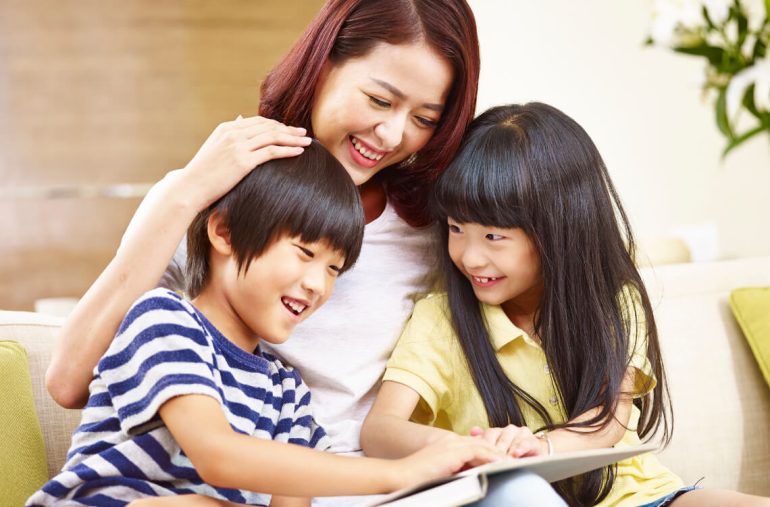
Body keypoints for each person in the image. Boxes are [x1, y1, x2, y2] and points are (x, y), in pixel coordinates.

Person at [46, 1, 567, 505]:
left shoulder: (436, 232)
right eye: (379, 100)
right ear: (322, 65)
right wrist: (185, 195)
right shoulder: (213, 202)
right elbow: (70, 381)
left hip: (372, 485)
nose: (392, 135)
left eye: (425, 118)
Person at [27, 142, 505, 507]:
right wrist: (403, 473)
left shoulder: (285, 390)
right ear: (224, 232)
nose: (317, 284)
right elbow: (217, 454)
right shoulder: (164, 319)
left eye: (334, 269)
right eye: (304, 253)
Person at [361, 103, 770, 507]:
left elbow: (608, 422)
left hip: (645, 497)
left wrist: (541, 447)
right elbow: (380, 430)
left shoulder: (614, 300)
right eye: (455, 228)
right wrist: (462, 448)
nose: (470, 257)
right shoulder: (442, 320)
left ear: (558, 228)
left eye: (493, 237)